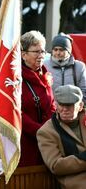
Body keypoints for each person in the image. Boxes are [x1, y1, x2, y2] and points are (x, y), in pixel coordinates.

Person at [37, 85, 86, 189]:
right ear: (56, 105)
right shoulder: (46, 131)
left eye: (69, 106)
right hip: (76, 180)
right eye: (61, 105)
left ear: (80, 106)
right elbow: (56, 166)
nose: (64, 109)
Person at [19, 30, 56, 167]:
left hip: (47, 141)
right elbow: (16, 112)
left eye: (43, 51)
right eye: (36, 52)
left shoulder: (45, 75)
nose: (41, 56)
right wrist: (39, 130)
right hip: (26, 142)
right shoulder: (16, 79)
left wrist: (48, 129)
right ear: (24, 54)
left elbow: (51, 104)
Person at [44, 32, 86, 103]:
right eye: (55, 49)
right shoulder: (44, 65)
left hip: (73, 111)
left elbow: (84, 90)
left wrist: (77, 107)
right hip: (51, 111)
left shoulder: (79, 67)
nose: (58, 53)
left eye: (61, 50)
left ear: (69, 51)